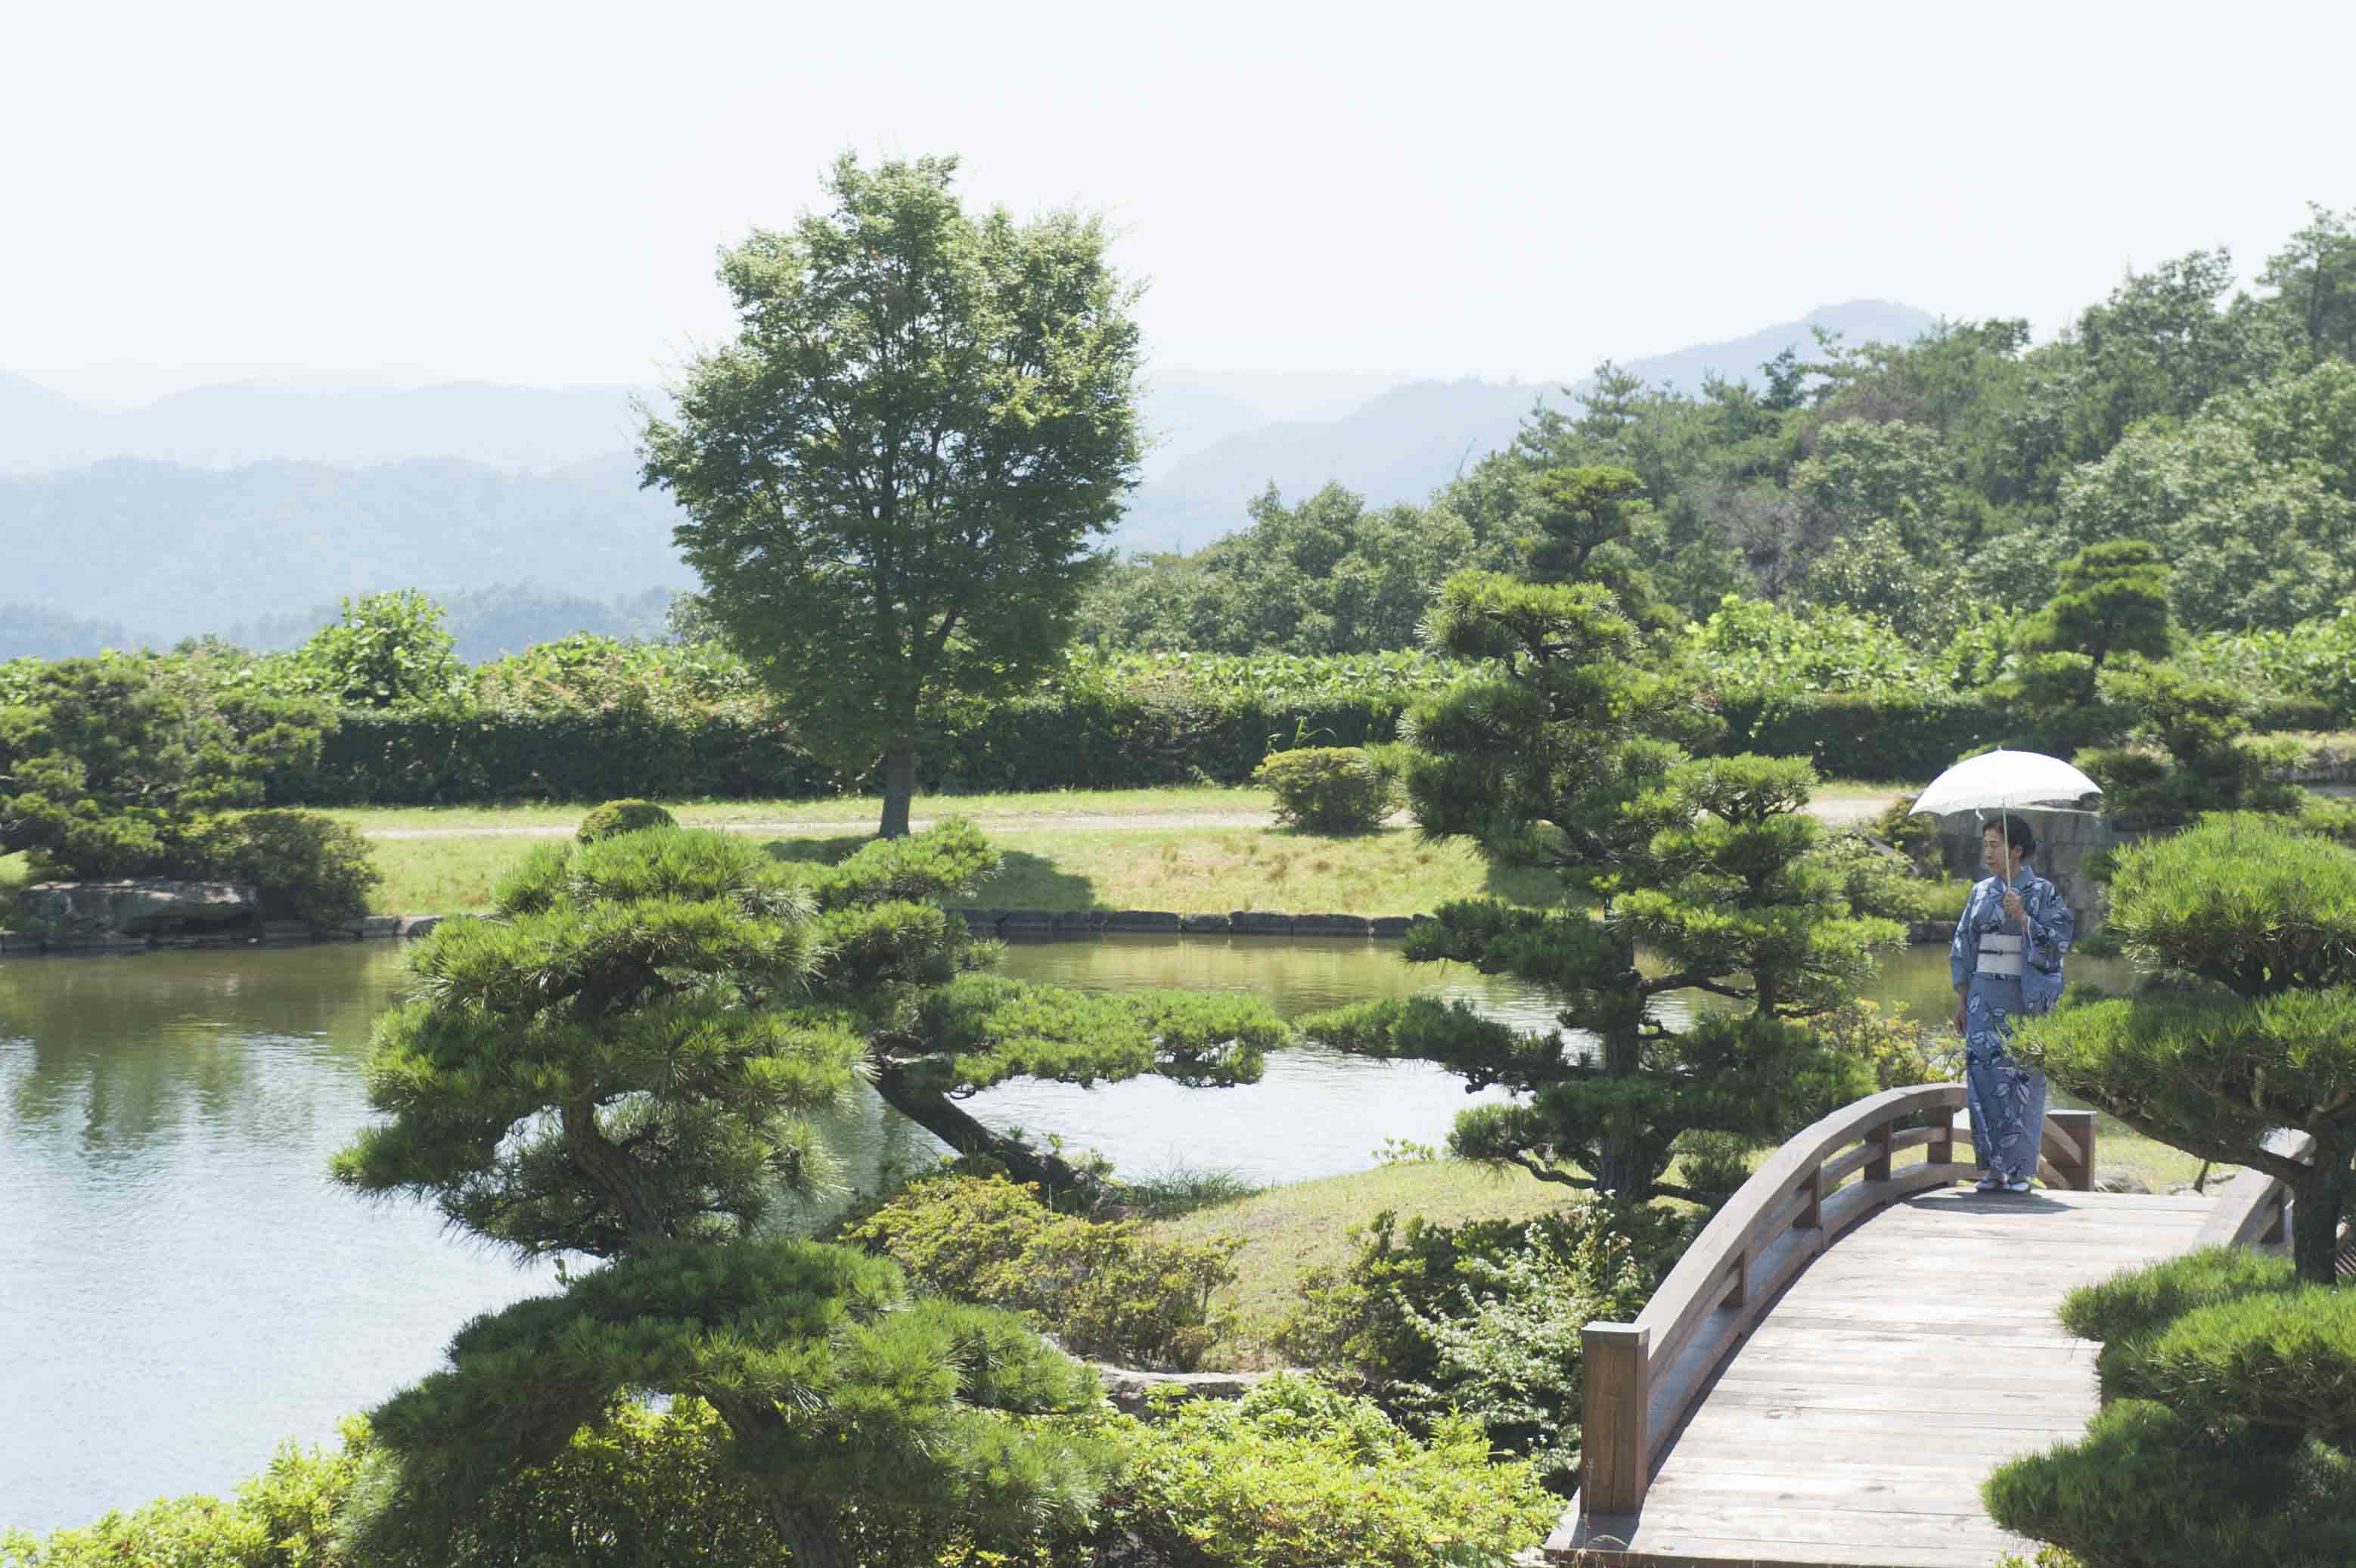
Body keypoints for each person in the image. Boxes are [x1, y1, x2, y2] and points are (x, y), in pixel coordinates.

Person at [1948, 813, 2074, 1194]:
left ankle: (2021, 1170)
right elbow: (1963, 945)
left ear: (2017, 850)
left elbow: (2059, 941)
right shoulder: (1979, 892)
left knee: (2022, 1080)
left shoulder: (2042, 892)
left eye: (1994, 844)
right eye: (1985, 844)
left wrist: (2024, 917)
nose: (1987, 852)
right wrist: (1962, 997)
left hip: (2023, 998)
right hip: (1983, 998)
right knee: (1984, 1080)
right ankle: (1991, 1169)